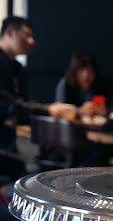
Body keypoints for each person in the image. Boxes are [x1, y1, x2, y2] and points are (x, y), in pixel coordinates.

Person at [0, 15, 65, 174]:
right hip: (4, 140)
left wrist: (48, 110)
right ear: (10, 33)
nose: (32, 41)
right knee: (35, 169)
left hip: (11, 137)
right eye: (27, 35)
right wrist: (47, 110)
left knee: (53, 158)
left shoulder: (17, 68)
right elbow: (8, 104)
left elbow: (23, 102)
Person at [55, 51, 113, 117]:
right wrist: (80, 111)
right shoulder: (65, 84)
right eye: (81, 71)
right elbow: (60, 109)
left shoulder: (102, 85)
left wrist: (105, 110)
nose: (86, 76)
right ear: (74, 72)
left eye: (90, 71)